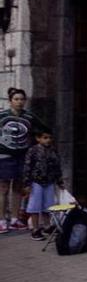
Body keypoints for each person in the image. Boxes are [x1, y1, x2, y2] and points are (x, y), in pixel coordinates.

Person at [0, 88, 48, 233]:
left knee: (18, 188)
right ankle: (2, 221)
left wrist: (35, 144)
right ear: (10, 101)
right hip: (4, 156)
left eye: (22, 99)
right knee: (3, 189)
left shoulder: (29, 117)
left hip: (23, 156)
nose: (19, 102)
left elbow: (44, 129)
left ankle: (15, 220)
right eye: (16, 99)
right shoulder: (2, 116)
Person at [22, 129, 63, 241]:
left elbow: (57, 167)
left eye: (50, 138)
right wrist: (27, 183)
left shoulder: (53, 150)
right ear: (38, 138)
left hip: (49, 182)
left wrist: (60, 181)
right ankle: (35, 229)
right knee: (35, 206)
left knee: (48, 206)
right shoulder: (33, 151)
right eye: (45, 138)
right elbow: (27, 167)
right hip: (36, 182)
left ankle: (47, 226)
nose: (48, 140)